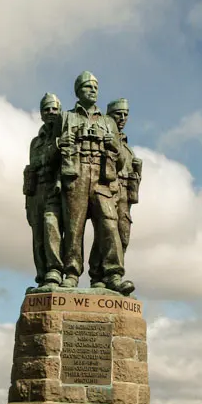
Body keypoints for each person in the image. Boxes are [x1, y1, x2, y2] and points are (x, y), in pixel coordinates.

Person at [58, 72, 135, 295]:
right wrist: (60, 143)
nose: (92, 90)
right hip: (77, 175)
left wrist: (115, 146)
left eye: (95, 87)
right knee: (74, 228)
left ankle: (112, 274)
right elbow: (54, 153)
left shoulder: (108, 122)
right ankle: (71, 274)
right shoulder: (66, 118)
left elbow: (121, 162)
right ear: (77, 91)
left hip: (102, 179)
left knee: (109, 225)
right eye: (87, 86)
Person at [88, 98, 141, 288]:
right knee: (107, 231)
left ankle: (106, 278)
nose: (123, 118)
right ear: (109, 116)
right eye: (118, 114)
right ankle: (101, 275)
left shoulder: (127, 147)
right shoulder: (103, 137)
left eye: (126, 114)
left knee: (122, 236)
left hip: (125, 192)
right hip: (107, 188)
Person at [23, 93, 64, 291]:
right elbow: (34, 163)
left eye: (54, 109)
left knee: (50, 225)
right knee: (38, 236)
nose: (51, 112)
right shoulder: (35, 142)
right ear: (41, 114)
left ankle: (55, 271)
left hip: (54, 189)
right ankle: (42, 278)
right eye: (47, 109)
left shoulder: (64, 136)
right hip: (35, 192)